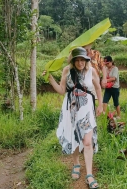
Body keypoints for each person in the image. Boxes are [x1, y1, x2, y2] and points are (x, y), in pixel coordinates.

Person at [43, 47, 102, 189]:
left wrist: (100, 105)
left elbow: (98, 88)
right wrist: (51, 79)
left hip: (86, 108)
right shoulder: (66, 71)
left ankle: (89, 174)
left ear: (86, 60)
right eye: (77, 60)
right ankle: (76, 163)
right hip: (71, 108)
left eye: (83, 60)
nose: (80, 63)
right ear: (73, 61)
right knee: (73, 137)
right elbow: (62, 90)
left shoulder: (91, 71)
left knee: (87, 141)